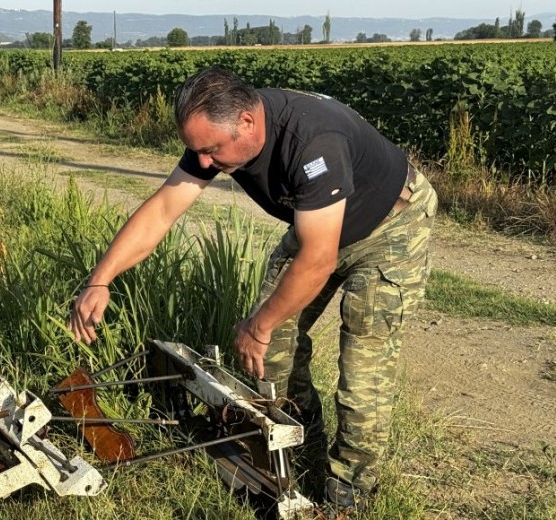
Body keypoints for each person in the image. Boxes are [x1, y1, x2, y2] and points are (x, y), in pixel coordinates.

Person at [66, 66, 437, 511]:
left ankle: (350, 490)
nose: (203, 163)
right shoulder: (218, 134)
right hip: (321, 223)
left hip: (391, 226)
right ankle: (299, 434)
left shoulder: (312, 142)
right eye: (196, 151)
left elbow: (317, 260)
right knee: (273, 350)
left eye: (210, 151)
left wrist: (259, 325)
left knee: (362, 366)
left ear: (246, 122)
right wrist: (100, 279)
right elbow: (163, 210)